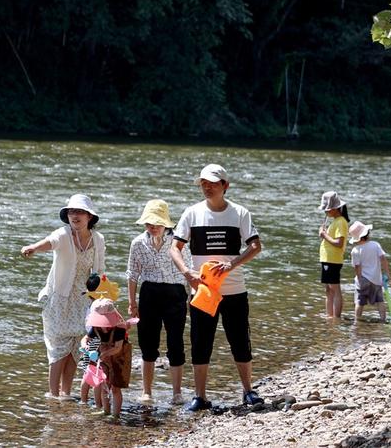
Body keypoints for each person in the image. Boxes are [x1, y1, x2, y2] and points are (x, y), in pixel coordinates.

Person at [169, 164, 263, 412]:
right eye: (203, 183)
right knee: (200, 343)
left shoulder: (240, 213)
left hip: (234, 290)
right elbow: (174, 248)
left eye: (212, 183)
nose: (207, 187)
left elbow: (255, 246)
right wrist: (187, 272)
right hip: (202, 292)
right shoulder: (192, 213)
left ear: (225, 186)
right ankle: (200, 396)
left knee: (240, 340)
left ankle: (248, 391)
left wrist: (232, 264)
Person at [20, 194, 106, 400]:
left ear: (89, 216)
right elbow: (50, 242)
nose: (74, 216)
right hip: (59, 298)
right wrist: (33, 247)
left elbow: (100, 271)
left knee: (76, 345)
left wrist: (100, 298)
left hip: (84, 299)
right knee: (58, 347)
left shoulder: (98, 239)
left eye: (79, 212)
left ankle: (66, 393)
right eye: (71, 212)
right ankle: (53, 393)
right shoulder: (64, 234)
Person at [127, 199, 190, 406]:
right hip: (149, 293)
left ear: (166, 223)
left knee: (175, 343)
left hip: (175, 293)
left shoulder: (178, 242)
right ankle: (147, 392)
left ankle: (177, 392)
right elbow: (132, 274)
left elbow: (189, 269)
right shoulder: (138, 243)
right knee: (147, 344)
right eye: (148, 223)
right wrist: (132, 303)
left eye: (156, 223)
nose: (152, 227)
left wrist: (193, 296)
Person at [84, 298, 132, 417]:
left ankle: (116, 415)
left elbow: (117, 348)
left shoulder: (119, 328)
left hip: (119, 359)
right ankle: (106, 411)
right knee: (104, 384)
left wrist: (103, 354)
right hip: (104, 359)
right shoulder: (95, 328)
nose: (104, 327)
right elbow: (86, 339)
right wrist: (85, 346)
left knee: (116, 387)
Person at [348, 221, 391, 323]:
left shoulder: (355, 250)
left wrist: (359, 279)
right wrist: (387, 273)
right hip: (376, 279)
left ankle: (357, 321)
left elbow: (357, 267)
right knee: (380, 301)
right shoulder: (375, 245)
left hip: (363, 279)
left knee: (359, 302)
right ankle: (383, 320)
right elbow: (383, 259)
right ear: (367, 234)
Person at [318, 191, 350, 318]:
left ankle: (336, 317)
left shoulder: (341, 222)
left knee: (335, 288)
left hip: (333, 260)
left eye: (327, 210)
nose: (325, 212)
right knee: (328, 289)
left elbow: (339, 243)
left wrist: (324, 235)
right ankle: (329, 315)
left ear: (335, 209)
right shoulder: (336, 221)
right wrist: (325, 234)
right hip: (327, 259)